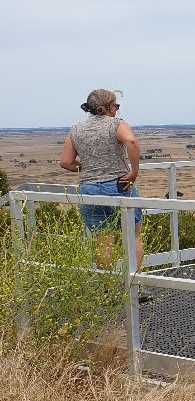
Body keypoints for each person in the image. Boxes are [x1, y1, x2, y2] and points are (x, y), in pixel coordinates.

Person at [59, 89, 146, 272]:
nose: (117, 109)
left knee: (103, 243)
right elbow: (131, 141)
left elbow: (66, 162)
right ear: (108, 107)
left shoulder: (76, 130)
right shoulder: (116, 124)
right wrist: (134, 171)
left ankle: (109, 292)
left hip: (89, 190)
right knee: (133, 236)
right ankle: (136, 286)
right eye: (116, 105)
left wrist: (87, 168)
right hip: (119, 185)